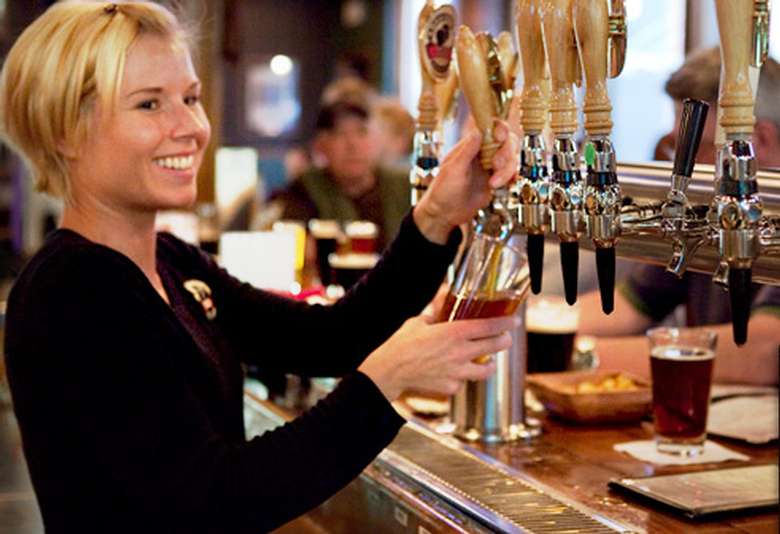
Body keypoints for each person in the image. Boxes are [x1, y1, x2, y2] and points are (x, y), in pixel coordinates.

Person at [0, 3, 520, 533]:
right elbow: (211, 500)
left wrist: (436, 216)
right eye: (149, 104)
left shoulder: (170, 262)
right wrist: (385, 382)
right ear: (65, 129)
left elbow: (329, 337)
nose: (190, 127)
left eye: (190, 98)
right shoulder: (71, 291)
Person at [580, 47, 780, 386]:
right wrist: (522, 327)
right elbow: (630, 308)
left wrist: (581, 358)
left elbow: (764, 349)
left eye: (696, 149)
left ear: (758, 139)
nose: (681, 171)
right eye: (678, 150)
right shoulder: (702, 211)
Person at [272, 99, 410, 251]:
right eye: (340, 133)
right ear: (321, 146)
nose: (352, 144)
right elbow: (290, 244)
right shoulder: (305, 190)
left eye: (362, 132)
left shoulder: (404, 186)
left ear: (376, 140)